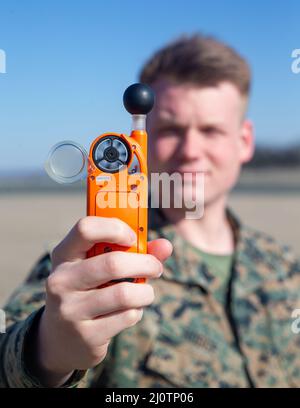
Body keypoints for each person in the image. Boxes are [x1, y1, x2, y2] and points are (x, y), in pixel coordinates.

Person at [1, 34, 300, 388]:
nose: (191, 150)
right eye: (171, 129)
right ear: (144, 139)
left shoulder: (284, 267)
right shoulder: (93, 262)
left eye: (211, 130)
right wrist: (46, 352)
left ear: (244, 141)